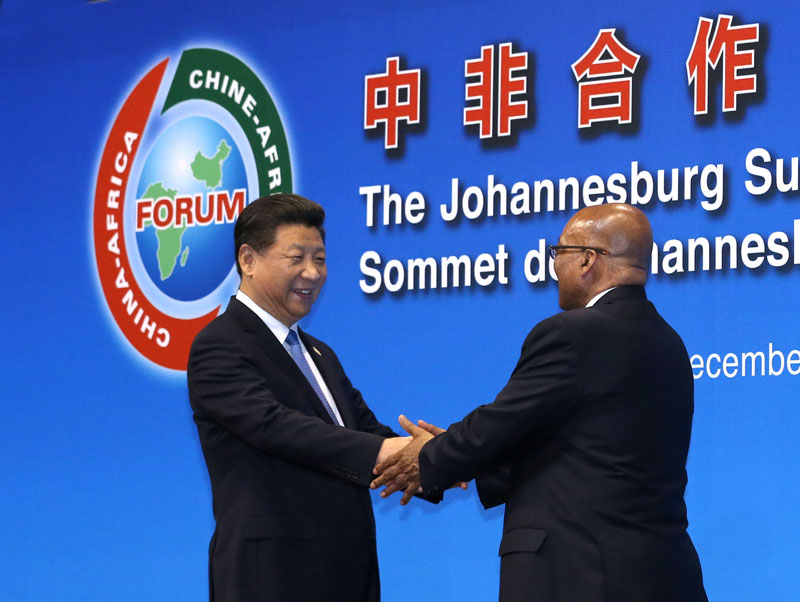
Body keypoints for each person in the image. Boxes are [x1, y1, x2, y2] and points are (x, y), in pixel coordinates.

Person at [373, 204, 708, 602]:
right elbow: (582, 447)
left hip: (581, 576)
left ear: (587, 259)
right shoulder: (669, 342)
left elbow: (500, 424)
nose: (553, 267)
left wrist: (430, 457)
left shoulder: (574, 333)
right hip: (663, 576)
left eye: (558, 252)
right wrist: (471, 458)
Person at [187, 193, 409, 602]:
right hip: (271, 576)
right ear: (248, 260)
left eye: (320, 259)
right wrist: (384, 451)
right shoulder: (219, 344)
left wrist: (438, 457)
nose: (313, 273)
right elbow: (275, 426)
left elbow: (364, 430)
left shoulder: (320, 354)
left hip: (344, 575)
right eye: (297, 259)